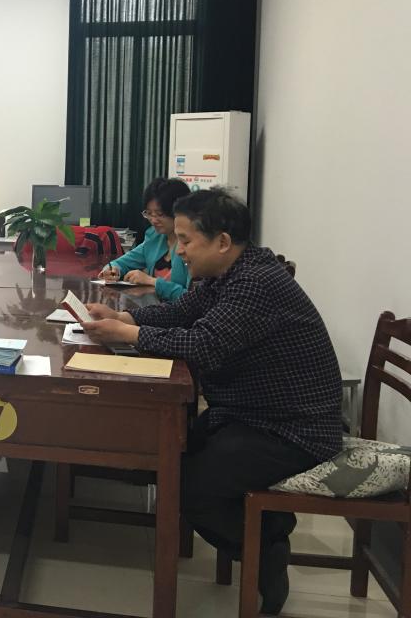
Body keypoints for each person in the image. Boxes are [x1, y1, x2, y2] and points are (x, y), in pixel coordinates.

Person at [81, 188, 342, 616]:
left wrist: (129, 334)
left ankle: (267, 552)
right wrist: (125, 317)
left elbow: (204, 344)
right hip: (246, 414)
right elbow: (183, 311)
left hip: (293, 428)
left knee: (188, 487)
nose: (179, 250)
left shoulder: (256, 283)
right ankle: (264, 530)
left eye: (186, 240)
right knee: (169, 458)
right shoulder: (230, 273)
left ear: (222, 241)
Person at [97, 177, 191, 301]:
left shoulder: (192, 247)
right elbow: (121, 263)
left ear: (179, 212)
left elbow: (193, 298)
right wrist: (112, 271)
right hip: (156, 308)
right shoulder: (155, 238)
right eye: (149, 213)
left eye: (160, 214)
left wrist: (153, 282)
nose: (153, 220)